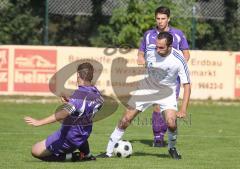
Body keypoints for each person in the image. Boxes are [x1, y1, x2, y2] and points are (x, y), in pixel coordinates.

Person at [98, 32, 191, 160]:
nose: (157, 49)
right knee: (125, 119)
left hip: (166, 92)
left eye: (161, 47)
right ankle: (108, 152)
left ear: (170, 46)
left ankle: (172, 148)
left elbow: (187, 85)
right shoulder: (151, 50)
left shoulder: (179, 59)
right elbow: (143, 57)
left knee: (171, 123)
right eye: (157, 46)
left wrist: (183, 109)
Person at [24, 62, 104, 162]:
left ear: (78, 75)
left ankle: (73, 157)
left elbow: (63, 114)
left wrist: (39, 122)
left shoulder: (79, 96)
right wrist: (71, 102)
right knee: (81, 126)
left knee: (35, 150)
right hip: (83, 135)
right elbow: (90, 105)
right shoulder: (96, 93)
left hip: (68, 138)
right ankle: (87, 155)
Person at [137, 6, 190, 147]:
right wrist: (143, 61)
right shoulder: (148, 35)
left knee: (166, 112)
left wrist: (179, 68)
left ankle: (168, 135)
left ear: (169, 19)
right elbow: (140, 54)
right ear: (155, 19)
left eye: (163, 18)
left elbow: (186, 54)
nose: (160, 21)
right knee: (156, 107)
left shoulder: (178, 34)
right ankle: (158, 137)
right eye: (158, 18)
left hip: (172, 79)